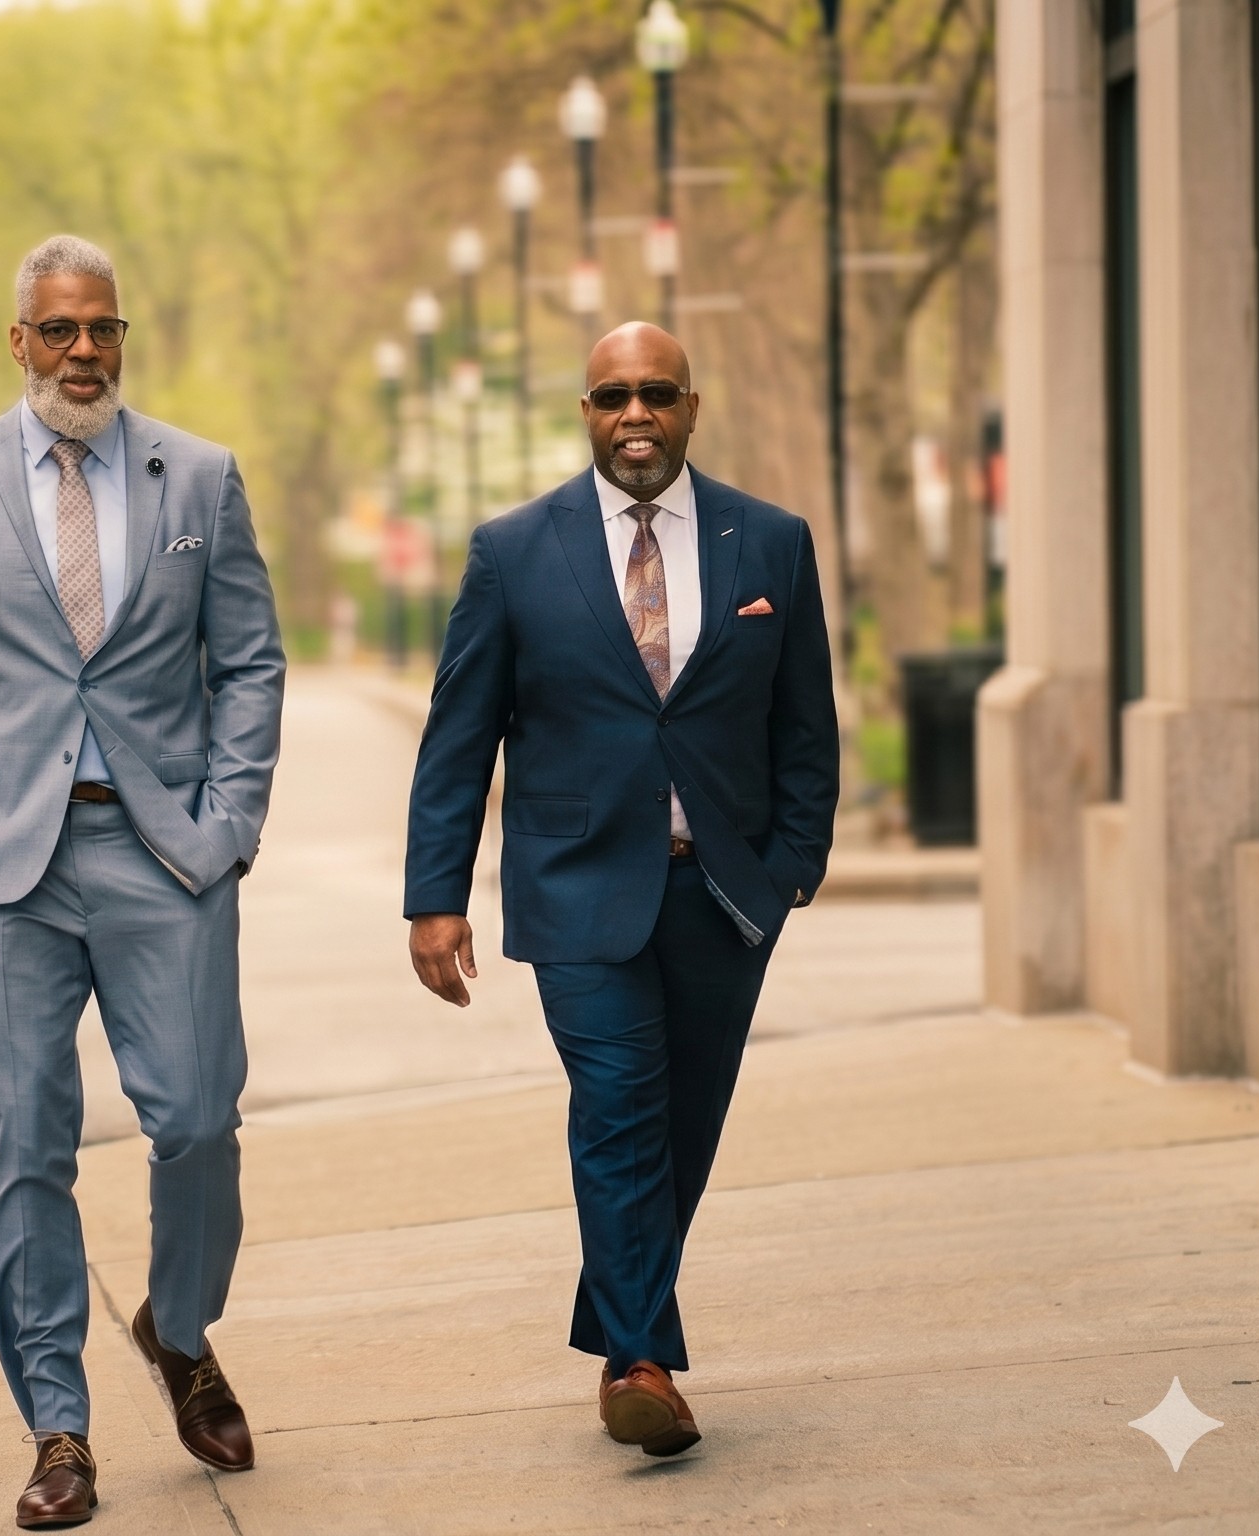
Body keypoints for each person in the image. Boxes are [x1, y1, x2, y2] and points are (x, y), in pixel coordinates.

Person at [0, 234, 286, 1528]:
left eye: (102, 328)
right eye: (60, 331)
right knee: (27, 1146)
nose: (85, 352)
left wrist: (229, 824)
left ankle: (183, 1322)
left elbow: (254, 662)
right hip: (2, 865)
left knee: (199, 1120)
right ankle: (59, 1429)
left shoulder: (199, 478)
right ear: (19, 343)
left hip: (162, 851)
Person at [401, 321, 838, 1458]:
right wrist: (432, 896)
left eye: (654, 394)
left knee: (685, 1124)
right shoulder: (512, 551)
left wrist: (792, 860)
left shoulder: (772, 543)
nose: (632, 415)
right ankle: (642, 1362)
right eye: (610, 398)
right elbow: (460, 735)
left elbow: (807, 722)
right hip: (574, 886)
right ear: (584, 413)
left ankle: (619, 1334)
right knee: (617, 1114)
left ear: (692, 406)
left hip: (724, 895)